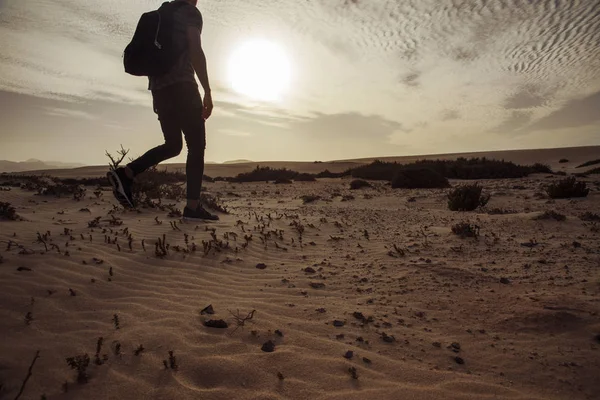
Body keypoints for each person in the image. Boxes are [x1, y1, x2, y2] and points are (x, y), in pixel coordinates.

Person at [108, 0, 217, 221]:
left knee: (173, 145)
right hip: (184, 87)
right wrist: (207, 90)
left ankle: (126, 173)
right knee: (196, 146)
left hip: (160, 91)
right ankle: (192, 208)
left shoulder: (162, 13)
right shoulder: (190, 13)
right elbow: (195, 50)